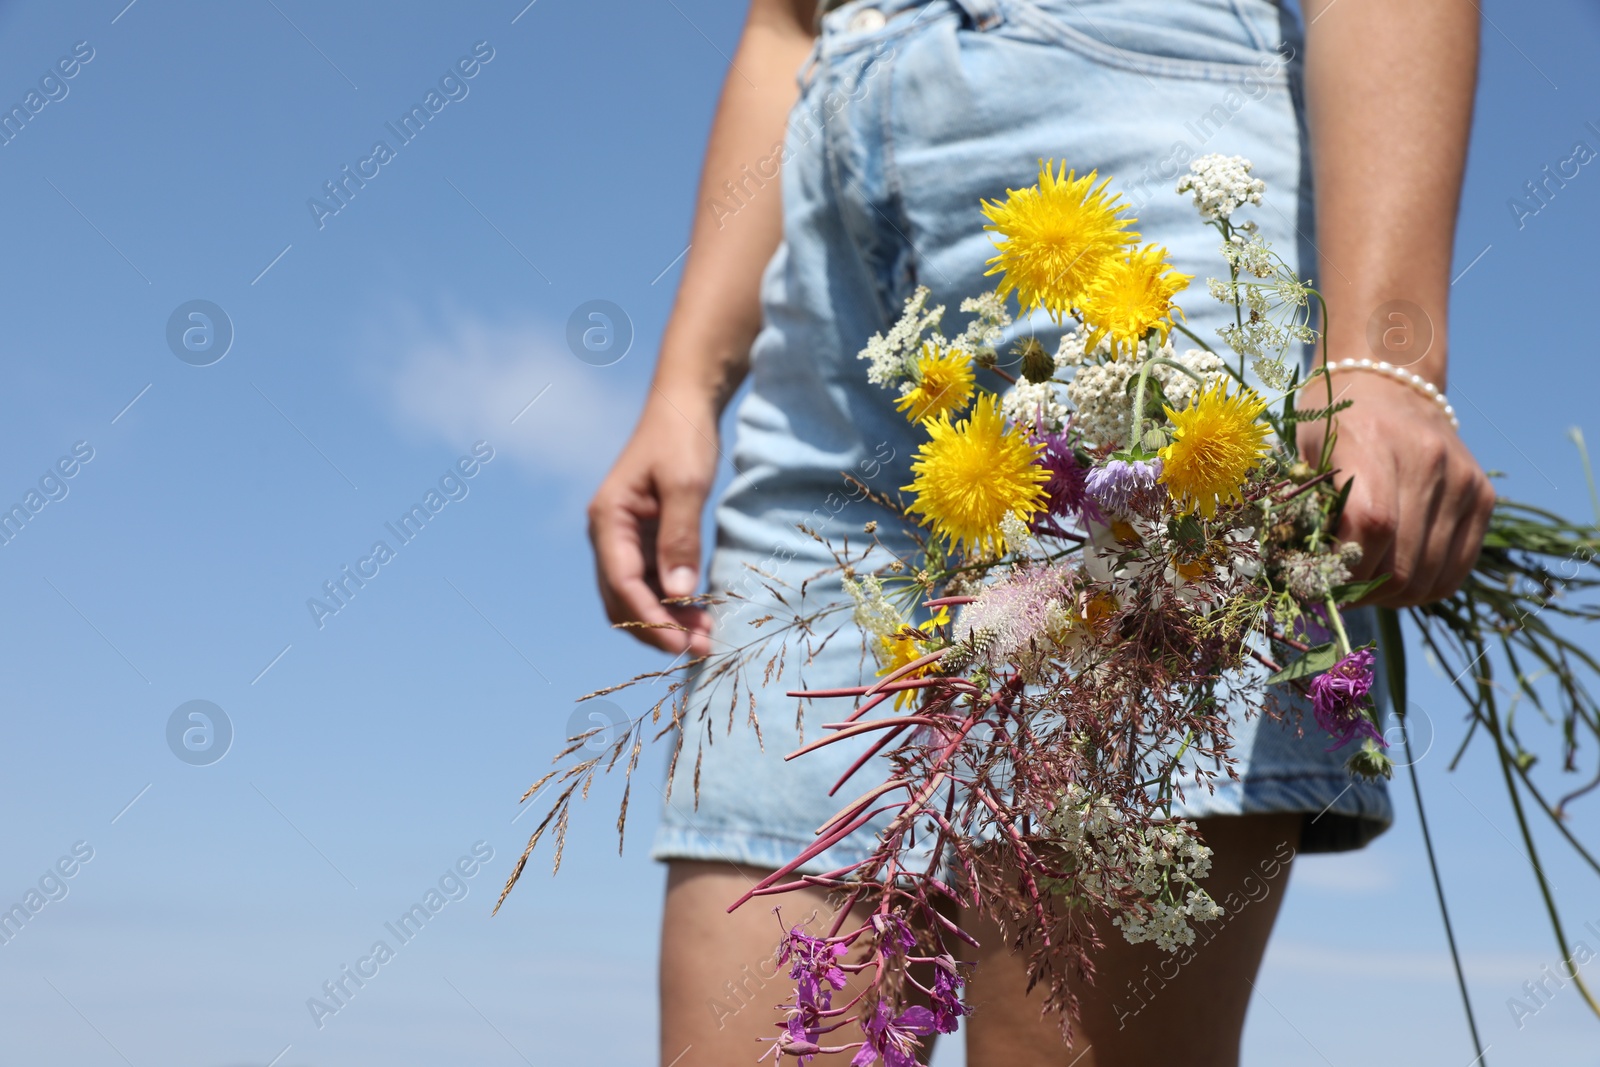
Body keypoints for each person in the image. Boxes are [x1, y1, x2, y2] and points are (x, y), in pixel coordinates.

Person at [587, 0, 1493, 1063]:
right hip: (824, 242)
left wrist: (1385, 358)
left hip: (1136, 152)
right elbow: (782, 24)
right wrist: (686, 383)